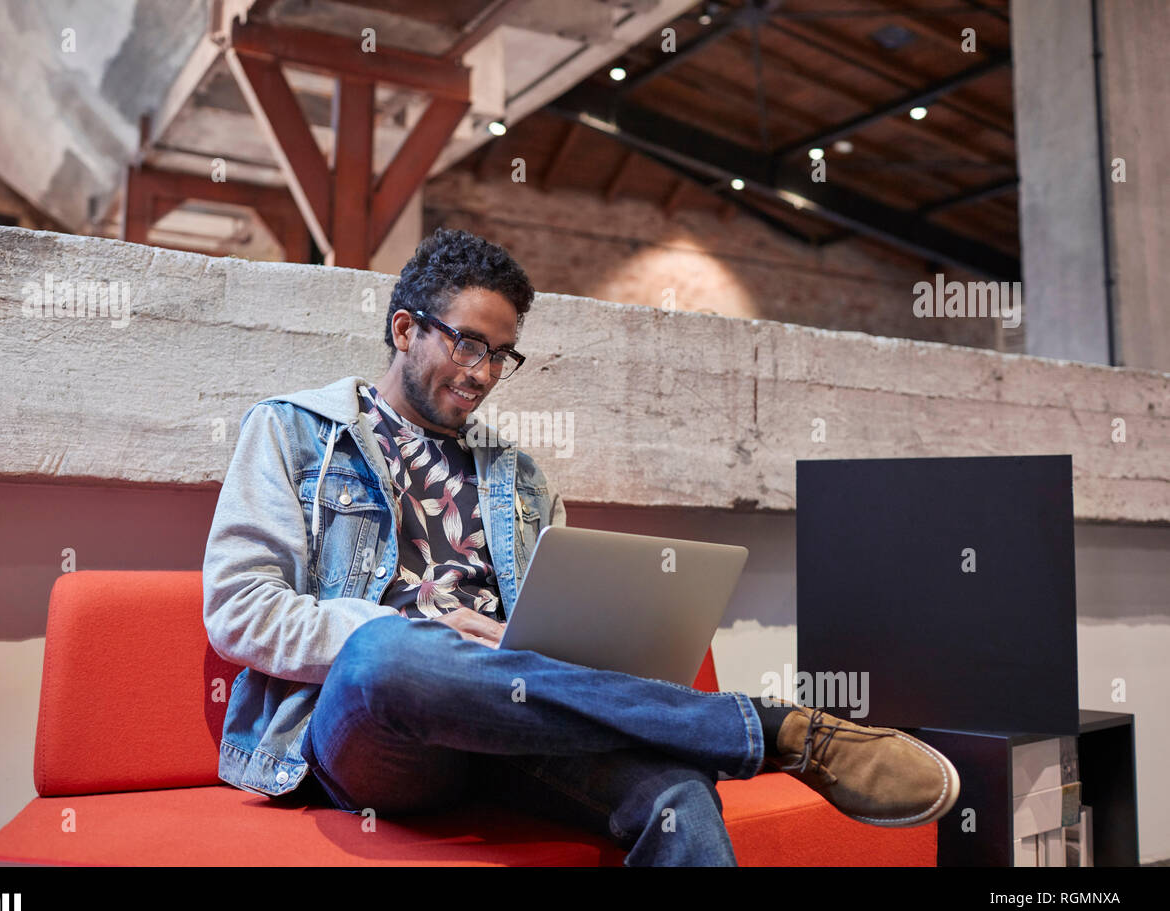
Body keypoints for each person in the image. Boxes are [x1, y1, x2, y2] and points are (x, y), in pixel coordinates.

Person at [202, 227, 960, 866]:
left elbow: (551, 642)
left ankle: (727, 739)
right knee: (390, 657)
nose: (483, 373)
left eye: (501, 354)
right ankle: (766, 730)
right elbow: (239, 611)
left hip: (509, 724)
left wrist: (509, 641)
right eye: (469, 343)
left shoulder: (521, 479)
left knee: (676, 792)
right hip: (378, 731)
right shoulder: (296, 432)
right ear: (405, 329)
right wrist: (419, 633)